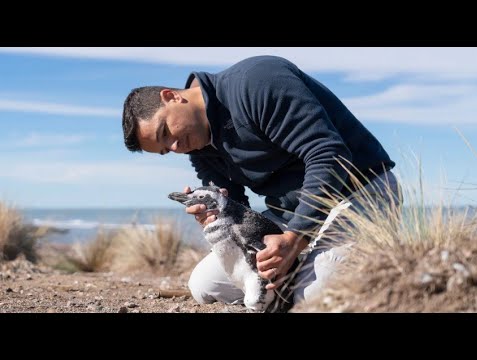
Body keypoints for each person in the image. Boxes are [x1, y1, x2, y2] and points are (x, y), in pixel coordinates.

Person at [121, 55, 402, 308]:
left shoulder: (257, 81)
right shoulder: (197, 144)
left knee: (314, 297)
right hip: (290, 214)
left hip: (359, 191)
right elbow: (237, 207)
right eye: (164, 149)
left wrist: (294, 240)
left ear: (171, 97)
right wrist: (216, 216)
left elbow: (328, 154)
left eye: (165, 132)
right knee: (205, 286)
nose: (174, 146)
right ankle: (298, 274)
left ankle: (384, 276)